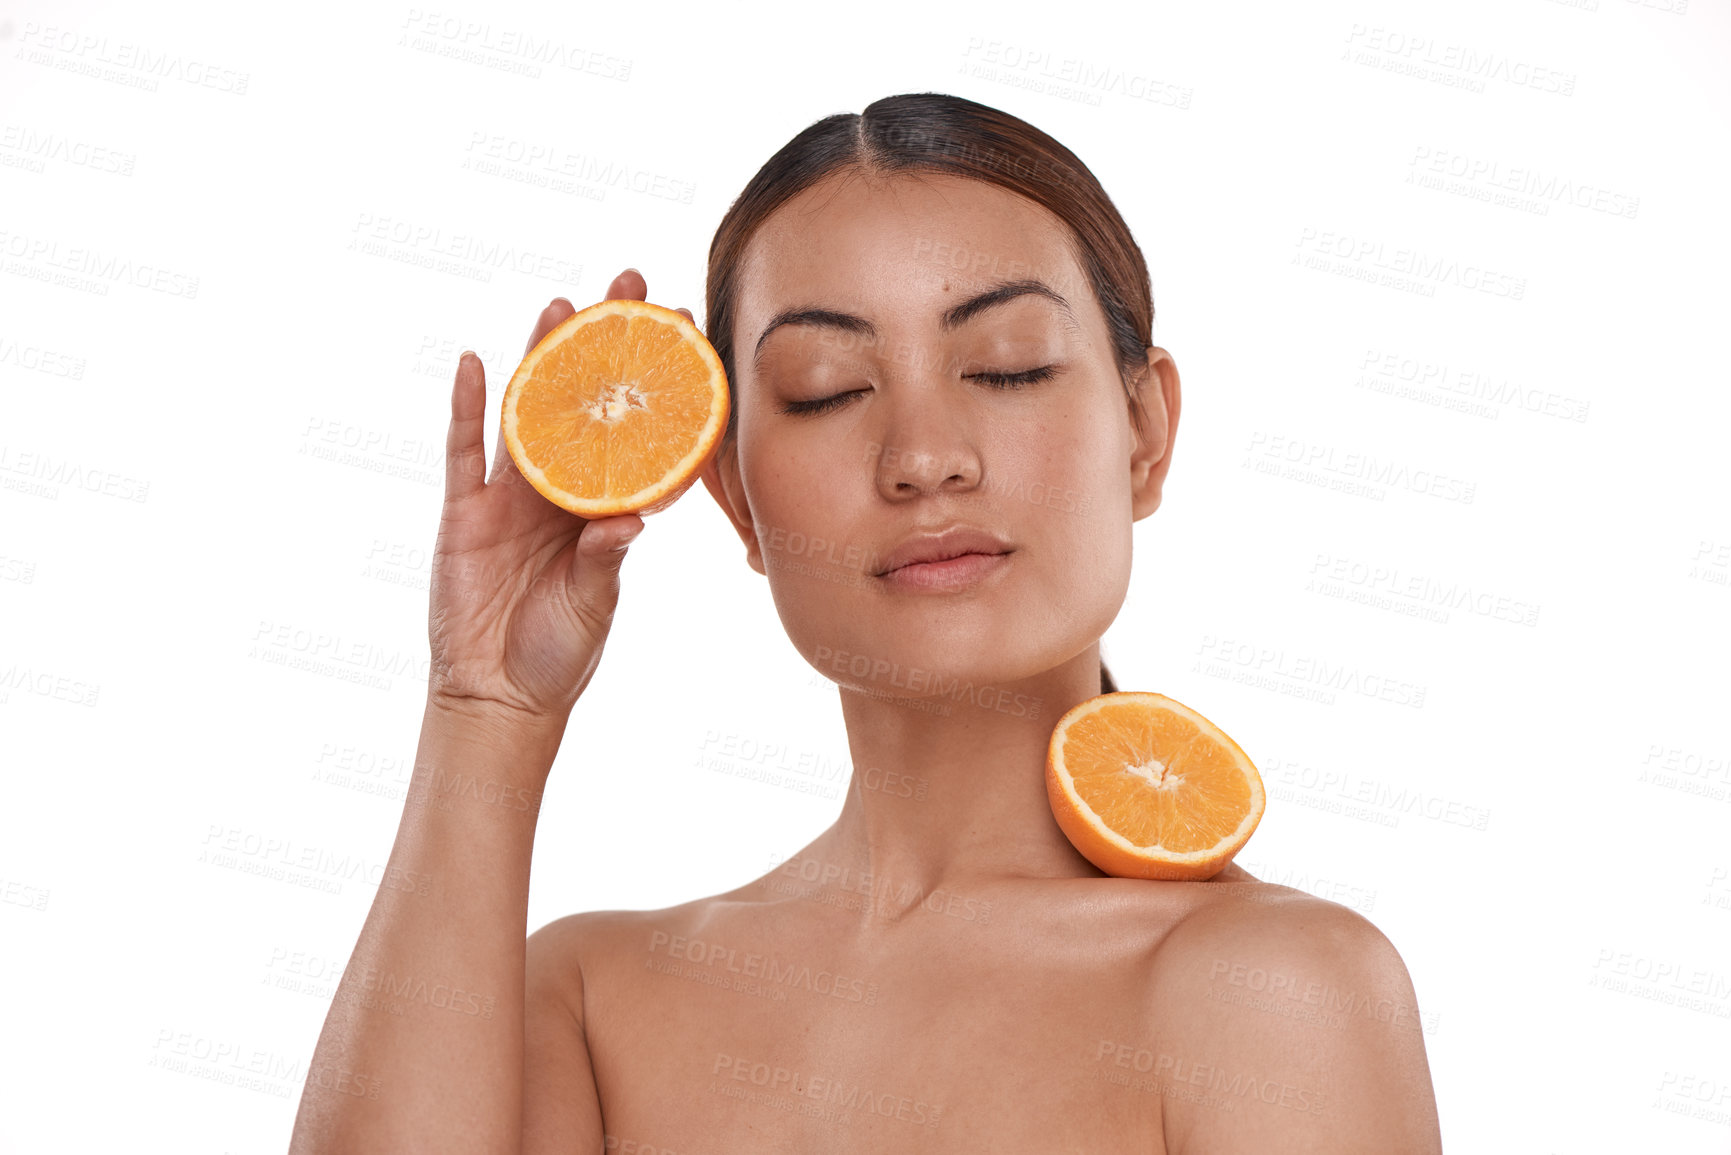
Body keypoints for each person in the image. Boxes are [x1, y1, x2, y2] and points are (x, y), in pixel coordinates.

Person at [289, 91, 1442, 1153]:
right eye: (828, 389)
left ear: (1145, 433)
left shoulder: (1271, 994)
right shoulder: (590, 1005)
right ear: (734, 496)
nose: (924, 458)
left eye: (1006, 367)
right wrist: (484, 710)